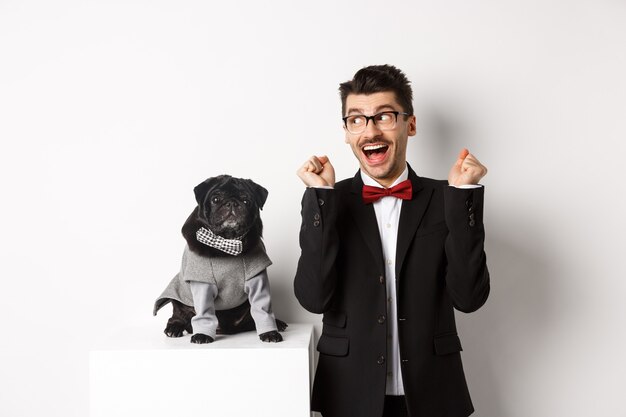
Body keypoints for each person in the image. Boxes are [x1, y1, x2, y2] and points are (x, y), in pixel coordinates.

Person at [294, 65, 490, 417]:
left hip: (433, 395)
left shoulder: (446, 197)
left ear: (410, 124)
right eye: (357, 119)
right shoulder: (329, 201)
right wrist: (320, 197)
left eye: (384, 116)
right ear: (346, 131)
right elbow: (313, 297)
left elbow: (470, 298)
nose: (370, 130)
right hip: (347, 394)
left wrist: (464, 197)